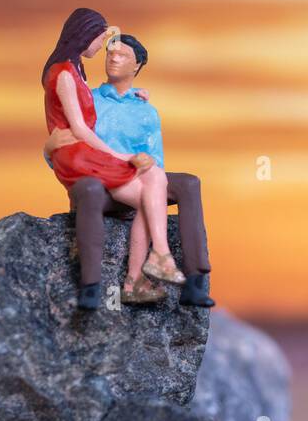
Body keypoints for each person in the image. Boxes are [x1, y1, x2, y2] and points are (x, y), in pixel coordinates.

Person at [45, 31, 215, 311]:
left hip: (137, 182)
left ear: (136, 66)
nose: (113, 58)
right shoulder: (88, 97)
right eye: (110, 53)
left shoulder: (146, 110)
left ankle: (195, 282)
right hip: (100, 184)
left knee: (187, 183)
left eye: (123, 55)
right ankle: (90, 288)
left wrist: (147, 169)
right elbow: (64, 144)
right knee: (93, 188)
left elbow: (155, 161)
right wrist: (48, 149)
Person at [41, 9, 174, 308]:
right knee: (149, 194)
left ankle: (149, 267)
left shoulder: (75, 71)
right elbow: (78, 129)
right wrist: (120, 155)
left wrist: (134, 93)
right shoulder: (63, 72)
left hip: (83, 152)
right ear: (85, 36)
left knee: (153, 184)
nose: (103, 48)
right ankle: (140, 274)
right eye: (101, 41)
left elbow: (97, 101)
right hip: (77, 155)